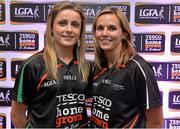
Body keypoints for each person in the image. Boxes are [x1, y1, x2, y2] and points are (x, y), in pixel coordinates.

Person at [11, 1, 92, 128]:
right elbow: (17, 114)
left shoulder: (86, 67)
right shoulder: (33, 65)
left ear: (80, 31)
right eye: (62, 23)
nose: (69, 29)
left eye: (75, 25)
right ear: (52, 28)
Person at [90, 7, 163, 128]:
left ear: (124, 34)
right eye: (100, 28)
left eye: (112, 28)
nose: (104, 33)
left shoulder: (138, 67)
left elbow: (155, 122)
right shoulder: (96, 67)